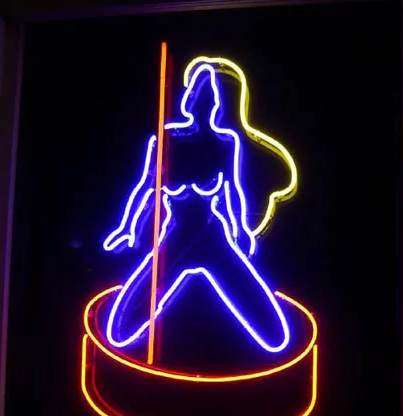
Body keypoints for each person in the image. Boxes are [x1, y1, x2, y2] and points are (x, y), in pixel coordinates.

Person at [102, 62, 291, 354]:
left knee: (271, 329)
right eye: (198, 99)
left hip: (212, 235)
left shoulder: (224, 143)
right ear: (189, 102)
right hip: (178, 236)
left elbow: (232, 191)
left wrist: (240, 229)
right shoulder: (168, 140)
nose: (205, 106)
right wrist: (129, 229)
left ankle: (276, 342)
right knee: (123, 326)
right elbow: (148, 187)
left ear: (215, 106)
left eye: (210, 99)